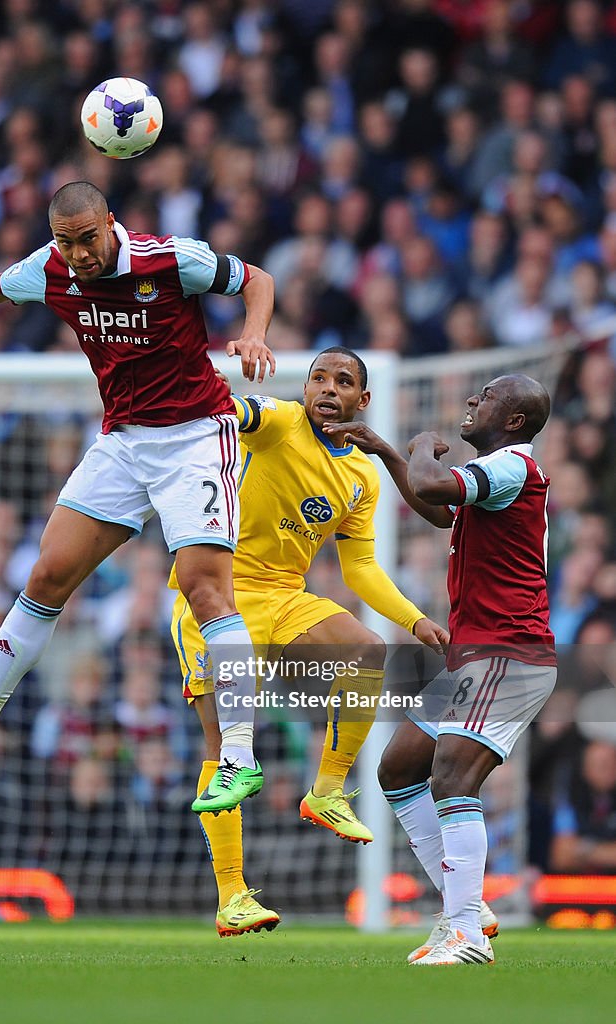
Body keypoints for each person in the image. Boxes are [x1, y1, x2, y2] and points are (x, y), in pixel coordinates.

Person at [0, 180, 276, 811]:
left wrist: (253, 332)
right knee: (48, 573)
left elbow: (256, 278)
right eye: (67, 242)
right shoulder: (52, 268)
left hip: (195, 435)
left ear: (110, 224)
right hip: (122, 442)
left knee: (204, 589)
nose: (80, 253)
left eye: (88, 238)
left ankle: (240, 759)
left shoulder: (167, 259)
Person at [170, 347, 449, 936]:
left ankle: (327, 790)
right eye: (318, 378)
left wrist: (415, 620)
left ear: (362, 401)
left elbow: (361, 570)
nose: (327, 388)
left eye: (342, 381)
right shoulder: (276, 422)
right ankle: (232, 894)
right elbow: (233, 412)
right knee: (225, 749)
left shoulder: (360, 475)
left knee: (369, 654)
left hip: (282, 594)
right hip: (214, 593)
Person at [332, 373, 554, 966]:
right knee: (399, 767)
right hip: (477, 655)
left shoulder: (513, 467)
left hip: (510, 652)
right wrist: (383, 449)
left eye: (488, 396)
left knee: (453, 778)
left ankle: (467, 934)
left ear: (512, 421)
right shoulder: (498, 479)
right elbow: (437, 513)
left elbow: (431, 484)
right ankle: (466, 908)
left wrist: (422, 443)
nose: (473, 400)